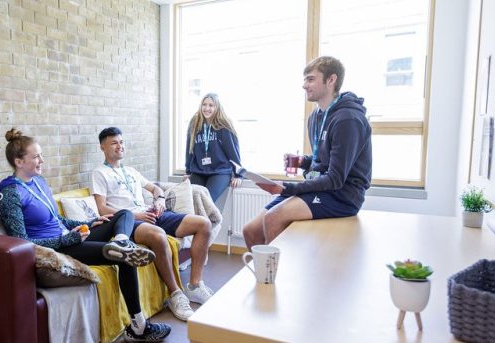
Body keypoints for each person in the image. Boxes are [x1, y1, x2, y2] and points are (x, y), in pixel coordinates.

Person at [0, 128, 171, 342]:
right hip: (60, 247)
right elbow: (21, 242)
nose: (42, 160)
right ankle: (139, 328)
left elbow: (58, 220)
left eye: (41, 154)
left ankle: (121, 240)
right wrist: (66, 239)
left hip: (71, 236)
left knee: (123, 214)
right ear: (18, 162)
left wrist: (88, 223)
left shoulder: (39, 182)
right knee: (125, 258)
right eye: (36, 157)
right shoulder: (10, 193)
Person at [242, 56, 372, 250]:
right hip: (321, 188)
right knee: (250, 230)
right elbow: (323, 161)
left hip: (343, 195)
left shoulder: (348, 119)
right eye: (305, 80)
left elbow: (335, 178)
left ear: (331, 80)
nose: (304, 85)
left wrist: (287, 188)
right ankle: (264, 277)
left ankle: (281, 277)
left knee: (272, 217)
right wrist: (303, 161)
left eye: (310, 79)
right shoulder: (315, 116)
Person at [92, 127, 214, 322]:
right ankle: (175, 294)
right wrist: (136, 215)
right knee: (158, 235)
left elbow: (155, 188)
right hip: (128, 221)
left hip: (151, 213)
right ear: (102, 147)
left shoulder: (131, 171)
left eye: (121, 142)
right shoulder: (99, 173)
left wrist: (159, 199)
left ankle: (194, 285)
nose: (120, 146)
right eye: (114, 143)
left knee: (203, 224)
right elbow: (102, 209)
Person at [184, 93, 243, 202]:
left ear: (217, 107)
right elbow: (189, 148)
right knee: (191, 201)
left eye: (211, 105)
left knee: (206, 201)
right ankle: (196, 220)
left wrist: (238, 175)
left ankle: (206, 219)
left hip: (220, 171)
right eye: (204, 104)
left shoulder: (224, 125)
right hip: (199, 171)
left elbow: (233, 151)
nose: (207, 108)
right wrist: (188, 171)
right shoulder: (195, 123)